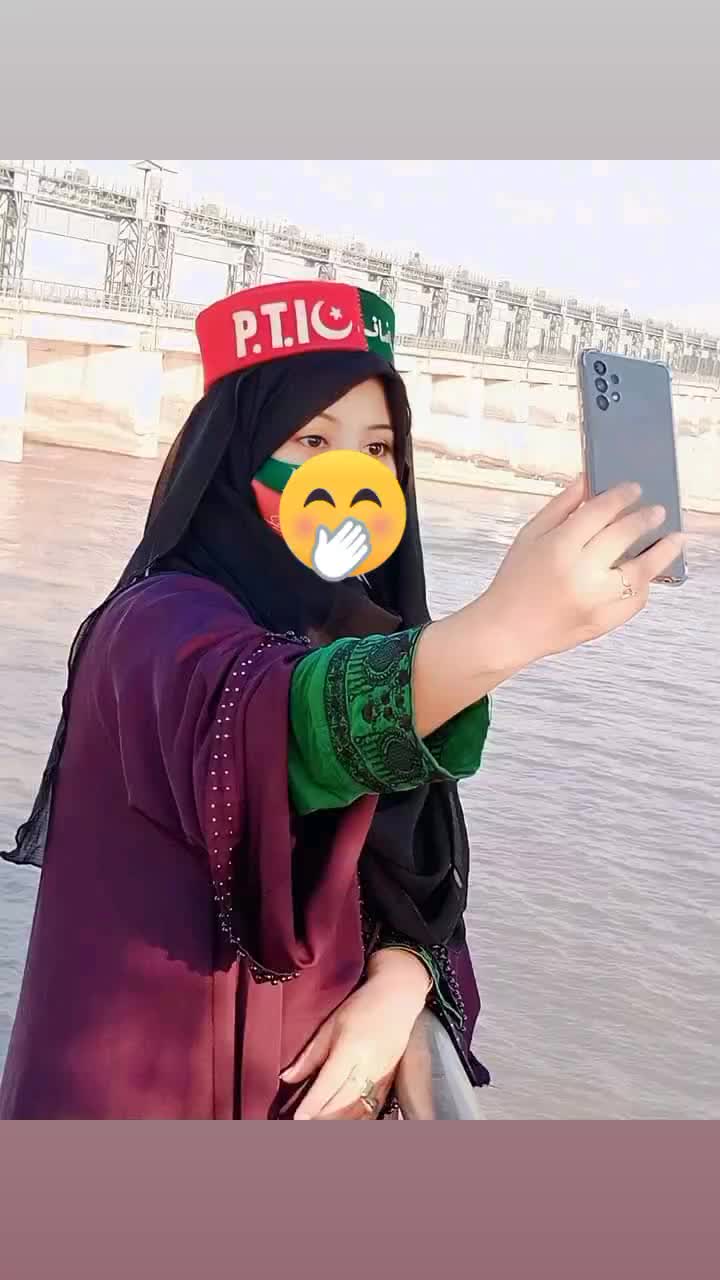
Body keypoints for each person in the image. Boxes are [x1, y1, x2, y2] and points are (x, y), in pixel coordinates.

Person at [0, 281, 683, 1120]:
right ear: (237, 453)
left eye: (378, 447)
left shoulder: (359, 627)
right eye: (313, 439)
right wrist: (505, 629)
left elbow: (403, 867)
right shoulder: (154, 625)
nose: (350, 476)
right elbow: (281, 729)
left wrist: (403, 975)